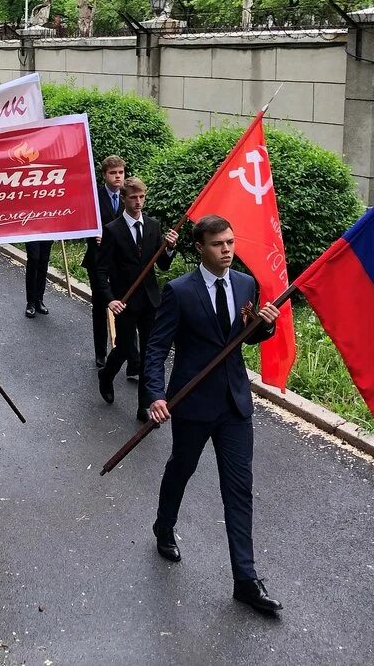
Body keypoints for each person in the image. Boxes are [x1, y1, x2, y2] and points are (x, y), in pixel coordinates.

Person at [145, 214, 283, 615]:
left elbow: (242, 337)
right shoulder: (179, 291)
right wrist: (155, 395)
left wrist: (264, 326)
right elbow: (156, 348)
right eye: (219, 244)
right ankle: (164, 525)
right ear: (200, 248)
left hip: (235, 404)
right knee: (181, 469)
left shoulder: (244, 283)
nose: (227, 249)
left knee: (238, 490)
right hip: (192, 403)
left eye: (231, 242)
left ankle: (245, 579)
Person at [94, 177, 177, 421]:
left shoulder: (152, 225)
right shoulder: (112, 230)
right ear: (124, 198)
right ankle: (107, 374)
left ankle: (144, 405)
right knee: (126, 349)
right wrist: (110, 299)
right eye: (133, 197)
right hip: (125, 301)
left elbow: (162, 265)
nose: (138, 202)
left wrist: (169, 248)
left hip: (150, 300)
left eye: (141, 197)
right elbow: (100, 270)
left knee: (149, 354)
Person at [83, 156, 127, 369]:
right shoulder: (94, 197)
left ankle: (122, 350)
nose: (118, 176)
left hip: (120, 261)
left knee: (122, 303)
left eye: (120, 172)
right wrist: (94, 236)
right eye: (113, 173)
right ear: (104, 175)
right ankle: (100, 352)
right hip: (97, 259)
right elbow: (84, 223)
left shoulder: (128, 196)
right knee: (100, 305)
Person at [23, 240, 54, 318]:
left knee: (44, 261)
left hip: (46, 231)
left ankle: (39, 299)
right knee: (34, 259)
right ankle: (31, 302)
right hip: (31, 231)